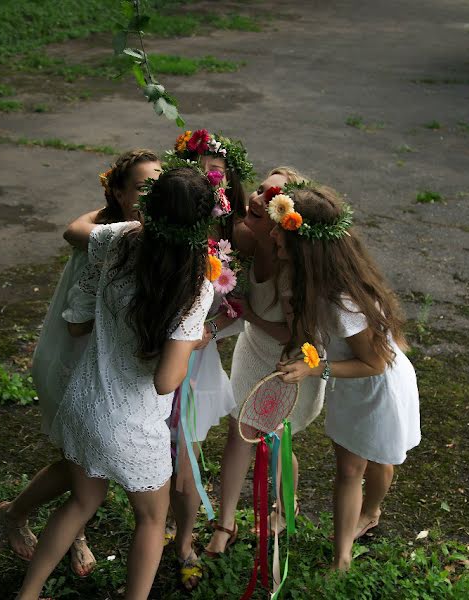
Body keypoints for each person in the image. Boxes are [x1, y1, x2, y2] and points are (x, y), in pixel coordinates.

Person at [13, 165, 217, 600]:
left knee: (81, 503)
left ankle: (27, 593)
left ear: (148, 206)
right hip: (133, 425)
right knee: (150, 520)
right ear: (203, 223)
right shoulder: (194, 287)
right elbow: (166, 381)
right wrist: (195, 341)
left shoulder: (119, 239)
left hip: (85, 403)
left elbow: (76, 325)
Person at [0, 150, 160, 577]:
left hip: (106, 369)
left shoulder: (148, 236)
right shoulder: (107, 238)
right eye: (143, 187)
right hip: (77, 363)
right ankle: (20, 515)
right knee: (81, 464)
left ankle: (56, 524)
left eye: (159, 185)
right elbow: (78, 322)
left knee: (85, 467)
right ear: (120, 194)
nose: (153, 194)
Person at [270, 182, 421, 571]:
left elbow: (375, 363)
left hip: (376, 386)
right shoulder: (307, 278)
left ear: (306, 247)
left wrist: (314, 367)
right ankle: (342, 555)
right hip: (348, 383)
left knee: (379, 458)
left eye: (279, 231)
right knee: (349, 467)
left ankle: (370, 513)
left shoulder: (344, 304)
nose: (271, 235)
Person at [204, 167, 327, 558]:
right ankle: (225, 523)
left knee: (272, 438)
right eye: (259, 189)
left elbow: (298, 337)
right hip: (254, 350)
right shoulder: (245, 236)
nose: (257, 198)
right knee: (241, 431)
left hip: (289, 364)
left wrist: (248, 316)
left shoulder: (294, 267)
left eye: (271, 196)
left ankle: (283, 504)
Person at [162, 129, 255, 590]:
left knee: (186, 461)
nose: (207, 185)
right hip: (152, 357)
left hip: (196, 365)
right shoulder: (161, 229)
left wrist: (209, 332)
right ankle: (150, 524)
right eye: (197, 177)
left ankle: (183, 541)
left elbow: (241, 307)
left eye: (214, 177)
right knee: (150, 453)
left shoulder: (234, 239)